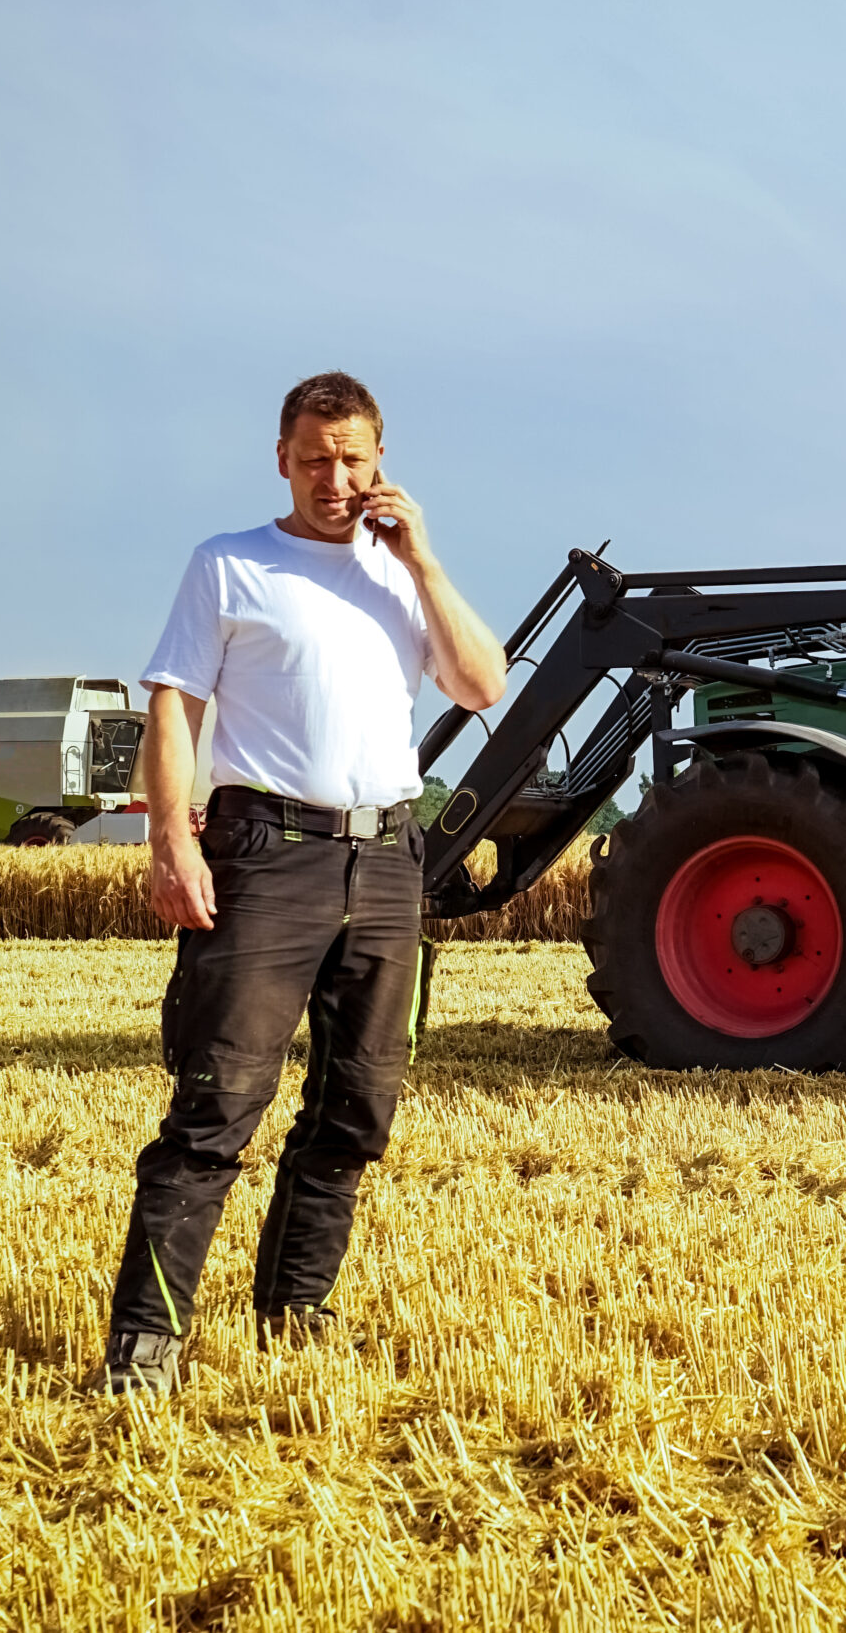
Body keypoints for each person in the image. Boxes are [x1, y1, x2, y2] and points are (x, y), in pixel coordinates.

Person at [95, 371, 507, 1396]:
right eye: (317, 455)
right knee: (215, 1105)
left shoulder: (403, 578)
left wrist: (423, 558)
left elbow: (482, 684)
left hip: (387, 863)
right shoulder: (230, 565)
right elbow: (173, 705)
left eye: (354, 455)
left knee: (357, 1107)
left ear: (381, 460)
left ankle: (296, 1312)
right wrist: (170, 846)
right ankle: (146, 1347)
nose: (336, 475)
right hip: (265, 855)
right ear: (282, 456)